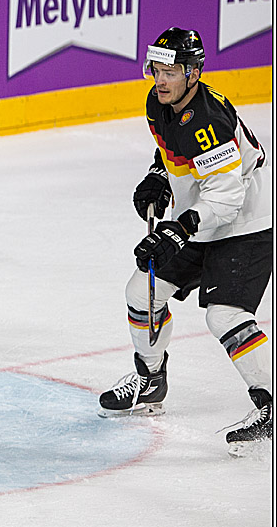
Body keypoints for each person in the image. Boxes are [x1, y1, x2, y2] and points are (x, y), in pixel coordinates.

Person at [98, 27, 272, 455]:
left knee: (225, 316)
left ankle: (270, 408)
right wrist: (159, 175)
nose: (161, 78)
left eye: (171, 70)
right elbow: (173, 150)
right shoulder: (158, 104)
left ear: (193, 73)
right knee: (142, 293)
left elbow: (228, 196)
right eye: (157, 68)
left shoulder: (210, 119)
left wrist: (179, 228)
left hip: (244, 223)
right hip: (198, 219)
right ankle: (150, 380)